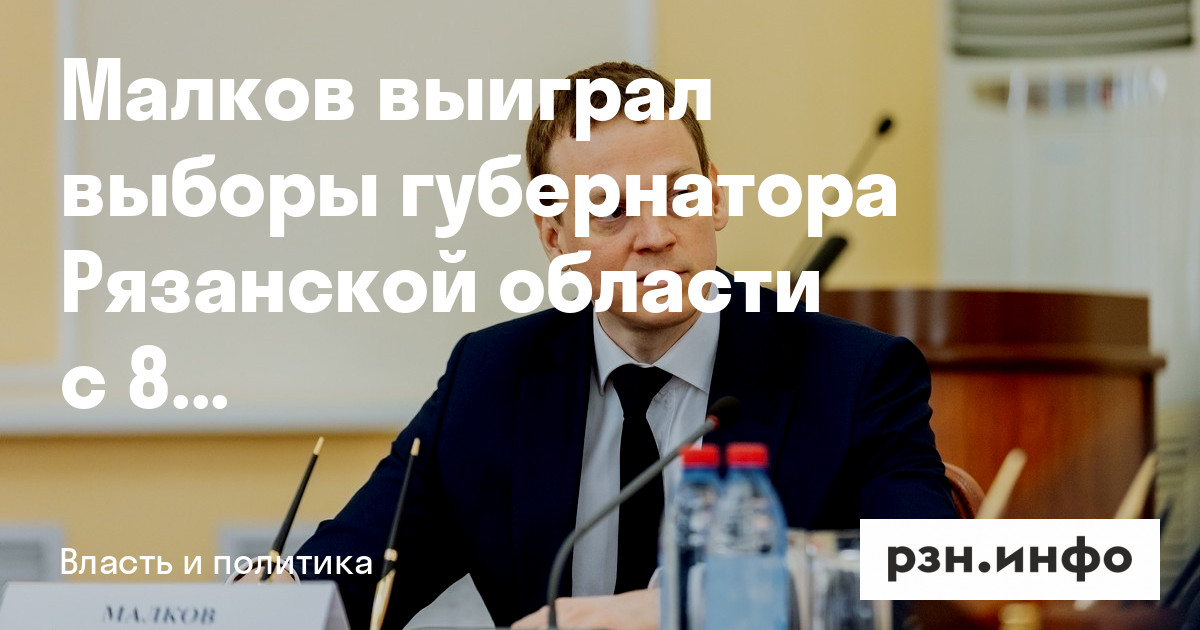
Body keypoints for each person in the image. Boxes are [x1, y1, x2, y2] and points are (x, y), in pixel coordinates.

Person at [293, 61, 956, 630]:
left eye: (680, 194)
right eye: (611, 210)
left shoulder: (854, 375)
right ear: (554, 237)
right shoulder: (490, 380)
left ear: (716, 198)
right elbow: (343, 578)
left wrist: (679, 609)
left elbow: (932, 578)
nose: (656, 235)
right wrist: (259, 601)